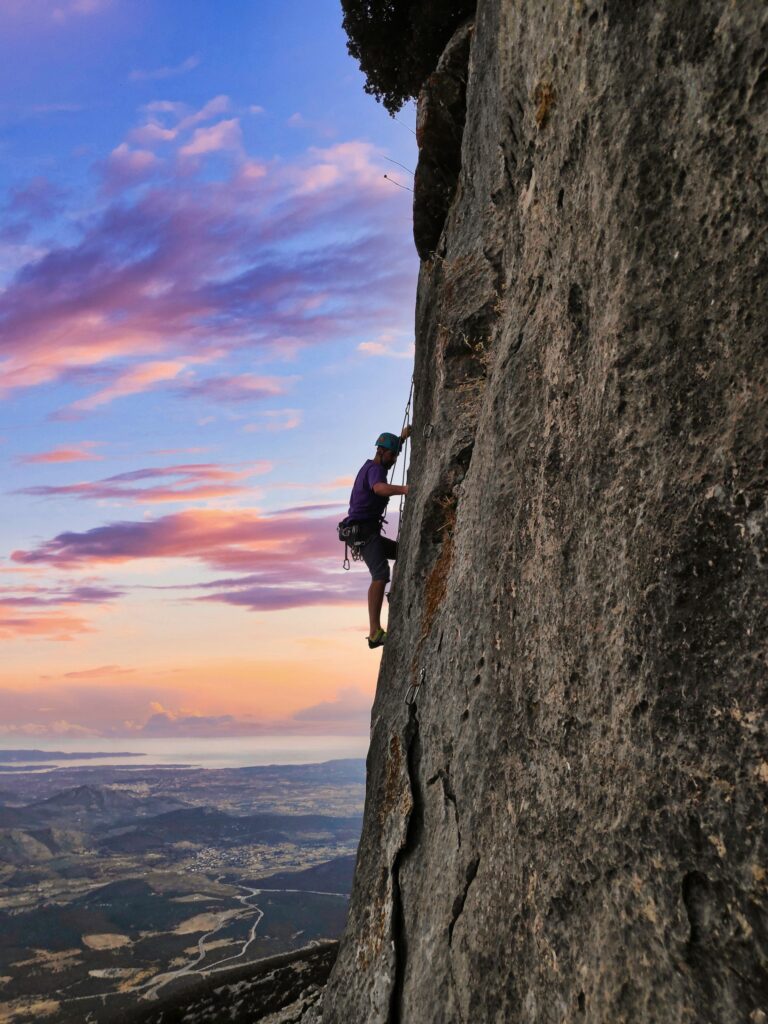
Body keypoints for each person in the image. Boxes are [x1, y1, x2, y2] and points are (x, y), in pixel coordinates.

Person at [345, 429, 410, 648]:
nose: (394, 460)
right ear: (381, 452)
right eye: (392, 455)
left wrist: (402, 439)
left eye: (395, 456)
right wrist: (405, 489)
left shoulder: (373, 465)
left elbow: (390, 448)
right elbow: (379, 488)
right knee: (380, 574)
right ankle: (374, 632)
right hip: (364, 532)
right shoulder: (375, 469)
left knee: (403, 552)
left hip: (365, 531)